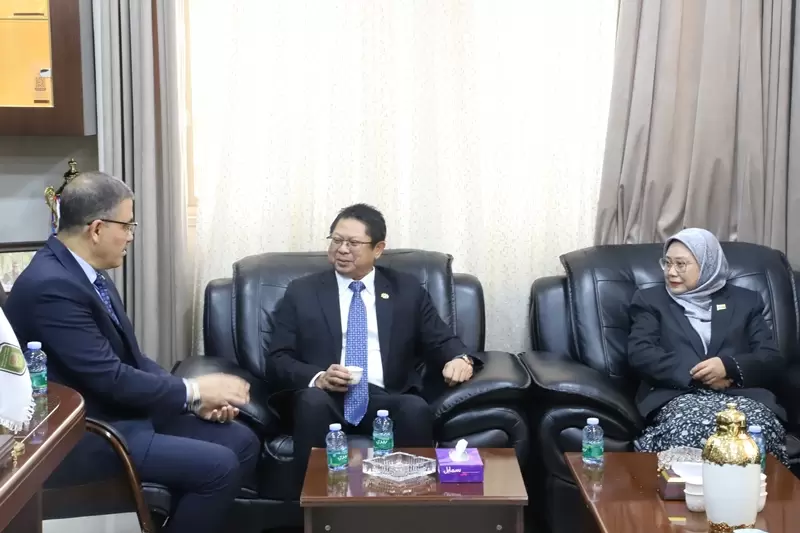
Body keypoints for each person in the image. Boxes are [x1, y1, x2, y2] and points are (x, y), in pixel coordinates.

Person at [4, 172, 259, 533]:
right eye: (126, 225)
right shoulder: (51, 287)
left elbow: (132, 360)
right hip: (86, 433)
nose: (130, 236)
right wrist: (195, 390)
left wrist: (191, 401)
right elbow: (110, 377)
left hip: (120, 413)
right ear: (97, 229)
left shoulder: (85, 272)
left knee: (242, 441)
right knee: (219, 467)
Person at [268, 203, 481, 493]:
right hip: (327, 397)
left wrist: (461, 358)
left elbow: (441, 339)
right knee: (311, 403)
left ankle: (413, 505)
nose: (342, 249)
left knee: (415, 409)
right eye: (336, 240)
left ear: (378, 249)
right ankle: (312, 507)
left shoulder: (406, 290)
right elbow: (278, 358)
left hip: (385, 397)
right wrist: (318, 378)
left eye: (353, 243)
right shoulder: (302, 292)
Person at [627, 228, 788, 463]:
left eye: (681, 264)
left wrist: (729, 367)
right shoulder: (650, 300)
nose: (671, 272)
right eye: (667, 263)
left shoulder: (746, 301)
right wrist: (703, 375)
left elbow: (770, 357)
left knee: (755, 430)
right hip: (677, 395)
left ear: (707, 265)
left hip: (738, 397)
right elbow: (641, 353)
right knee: (692, 430)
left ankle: (752, 488)